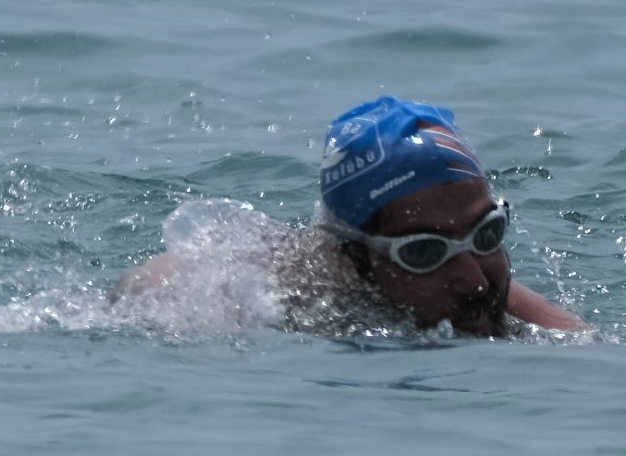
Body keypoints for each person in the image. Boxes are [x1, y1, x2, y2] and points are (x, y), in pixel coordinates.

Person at [115, 96, 587, 336]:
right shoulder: (282, 295)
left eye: (487, 234)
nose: (476, 282)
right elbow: (155, 284)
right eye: (424, 252)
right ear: (348, 258)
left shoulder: (470, 276)